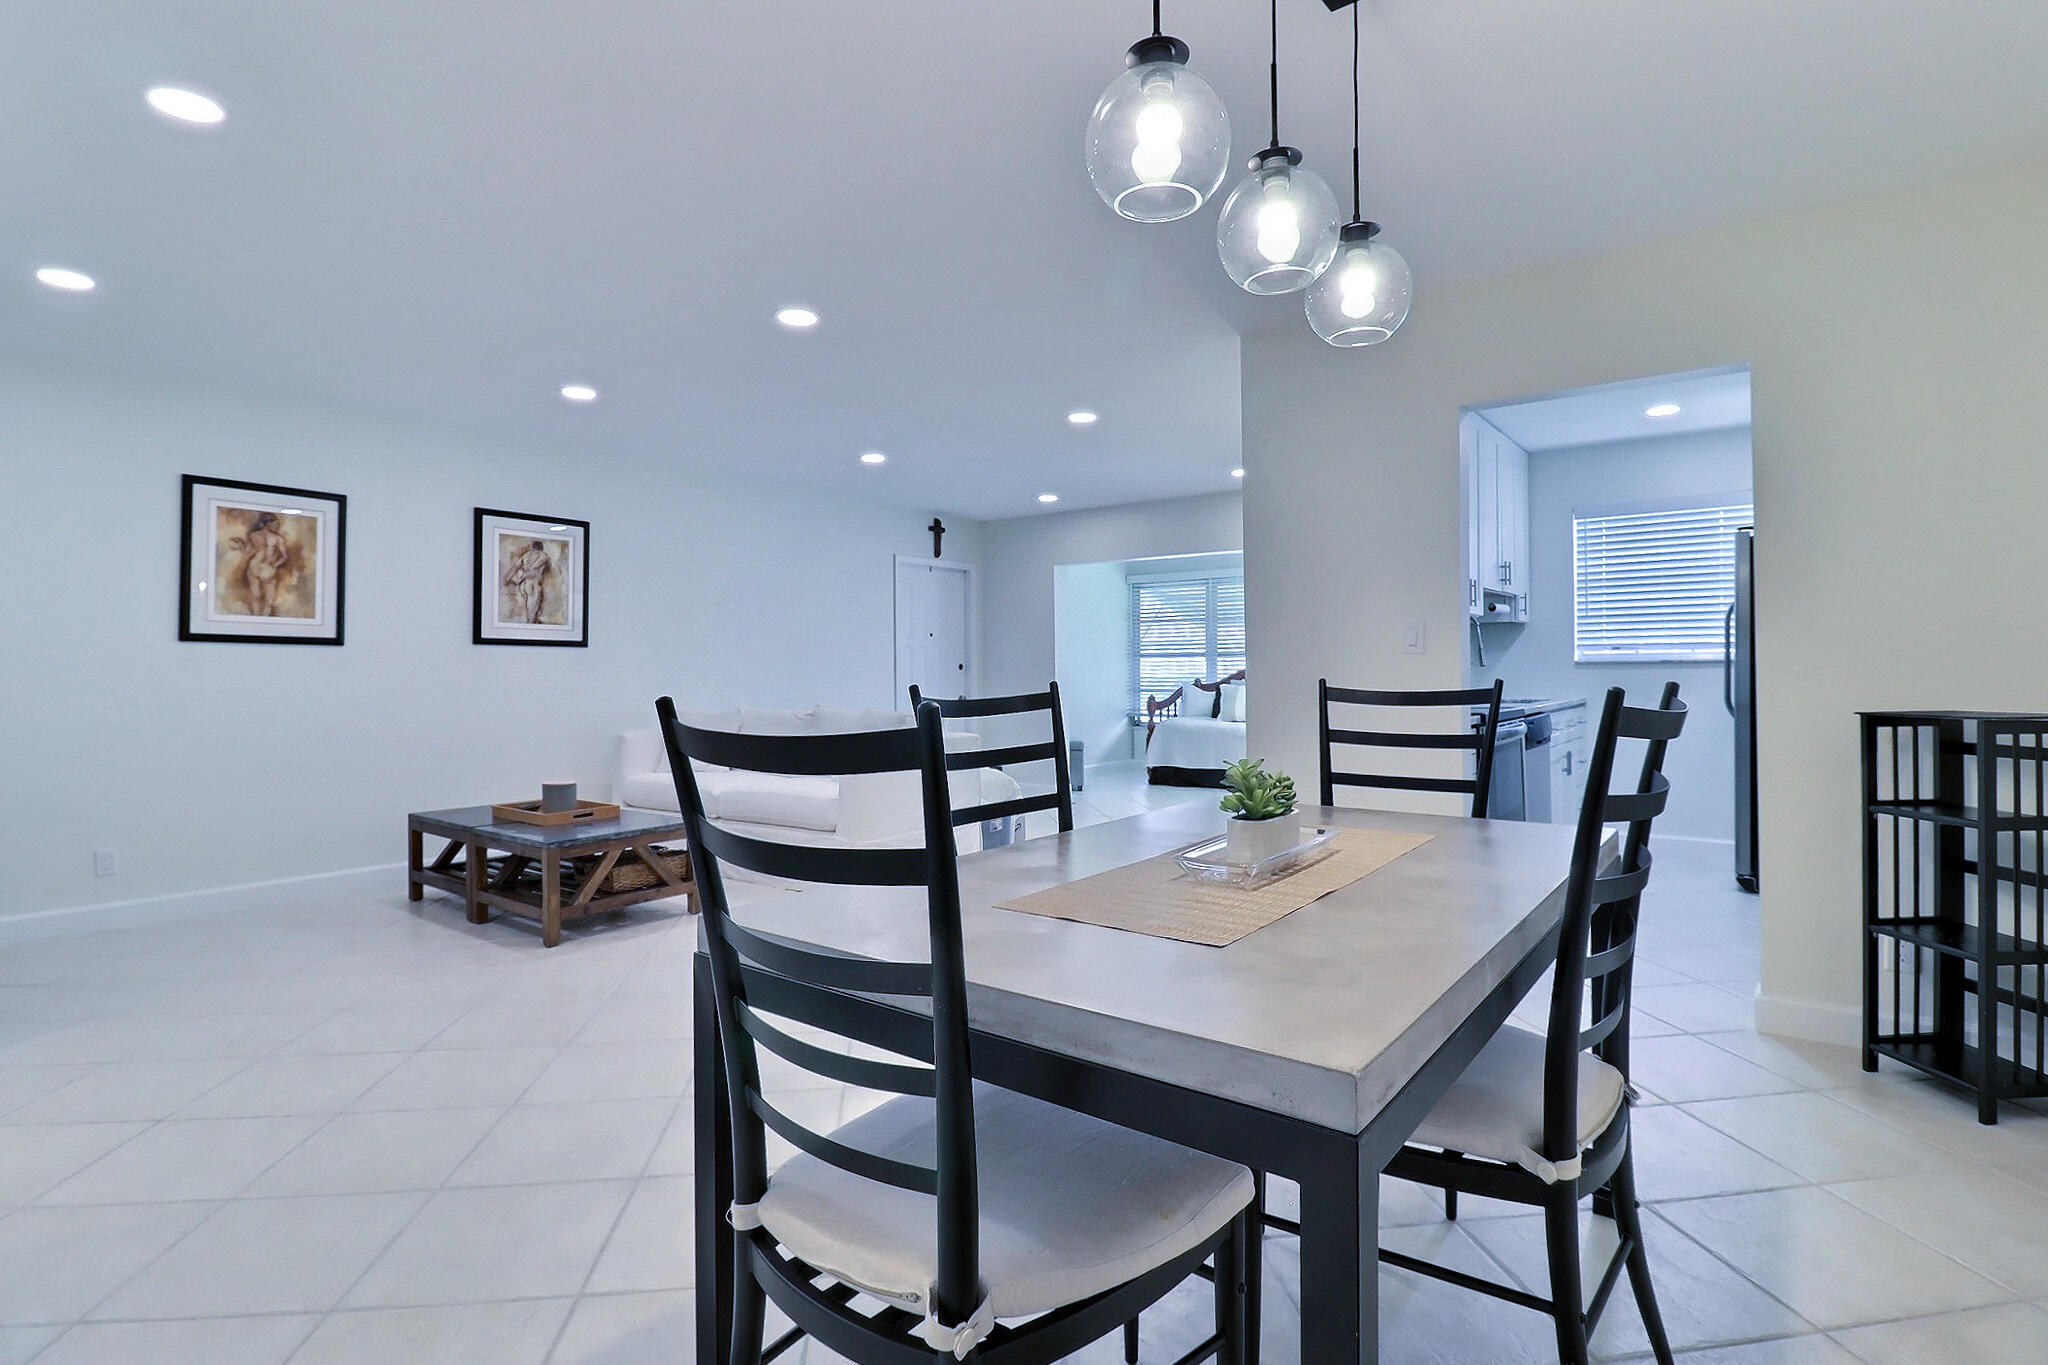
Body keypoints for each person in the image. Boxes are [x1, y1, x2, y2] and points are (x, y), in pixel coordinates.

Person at [239, 511, 292, 617]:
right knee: (268, 598)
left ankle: (256, 617)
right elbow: (284, 556)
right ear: (268, 523)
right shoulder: (277, 538)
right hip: (267, 568)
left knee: (256, 595)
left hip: (254, 565)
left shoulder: (253, 535)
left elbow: (249, 552)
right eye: (275, 524)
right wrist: (275, 565)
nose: (277, 526)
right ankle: (263, 619)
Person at [504, 538, 554, 624]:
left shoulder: (525, 556)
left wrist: (508, 579)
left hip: (524, 584)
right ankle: (531, 625)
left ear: (532, 547)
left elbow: (515, 568)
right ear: (541, 547)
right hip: (533, 582)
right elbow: (537, 565)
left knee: (528, 606)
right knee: (533, 607)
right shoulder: (543, 555)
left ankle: (530, 624)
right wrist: (530, 571)